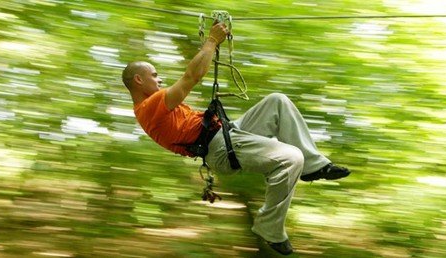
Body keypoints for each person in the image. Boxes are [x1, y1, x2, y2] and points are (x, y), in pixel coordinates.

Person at [122, 23, 350, 255]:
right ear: (139, 80)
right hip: (219, 148)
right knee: (291, 158)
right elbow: (191, 77)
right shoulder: (149, 107)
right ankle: (269, 229)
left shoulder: (155, 106)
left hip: (228, 133)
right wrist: (211, 41)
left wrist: (211, 45)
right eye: (154, 75)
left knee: (277, 102)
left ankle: (313, 167)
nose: (159, 80)